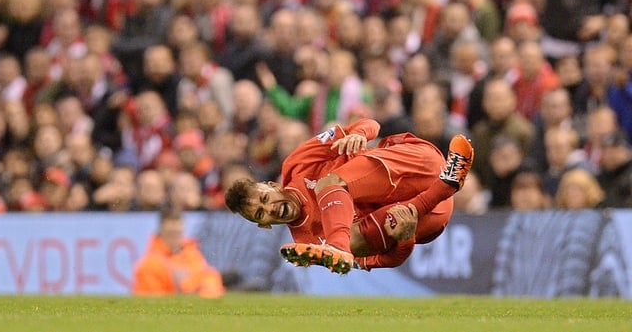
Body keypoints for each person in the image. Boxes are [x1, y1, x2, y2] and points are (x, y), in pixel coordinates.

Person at [224, 117, 473, 274]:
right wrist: (405, 240)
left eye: (265, 199)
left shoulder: (296, 164)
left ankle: (339, 247)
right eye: (261, 214)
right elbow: (387, 261)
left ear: (272, 185)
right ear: (264, 225)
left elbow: (370, 124)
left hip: (413, 164)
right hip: (430, 213)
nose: (270, 209)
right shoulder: (307, 241)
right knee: (360, 238)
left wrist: (359, 134)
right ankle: (447, 185)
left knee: (327, 185)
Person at [132, 209, 225, 298]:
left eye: (177, 233)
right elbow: (151, 301)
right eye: (171, 233)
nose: (174, 238)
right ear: (161, 231)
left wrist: (198, 290)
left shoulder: (192, 254)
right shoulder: (149, 264)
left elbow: (209, 279)